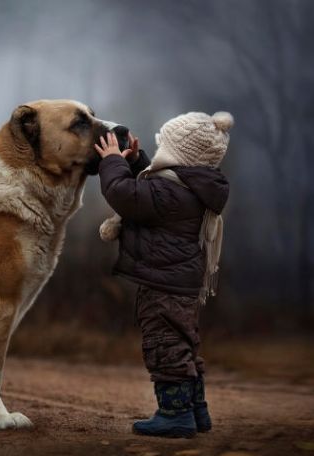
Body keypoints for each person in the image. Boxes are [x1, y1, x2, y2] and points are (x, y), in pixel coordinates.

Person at [93, 111, 233, 438]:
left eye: (164, 146)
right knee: (183, 344)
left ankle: (175, 415)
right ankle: (196, 410)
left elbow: (124, 194)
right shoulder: (189, 186)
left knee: (164, 345)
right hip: (179, 283)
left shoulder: (169, 193)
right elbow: (150, 187)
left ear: (179, 154)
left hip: (163, 285)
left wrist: (111, 162)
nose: (158, 153)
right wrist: (135, 160)